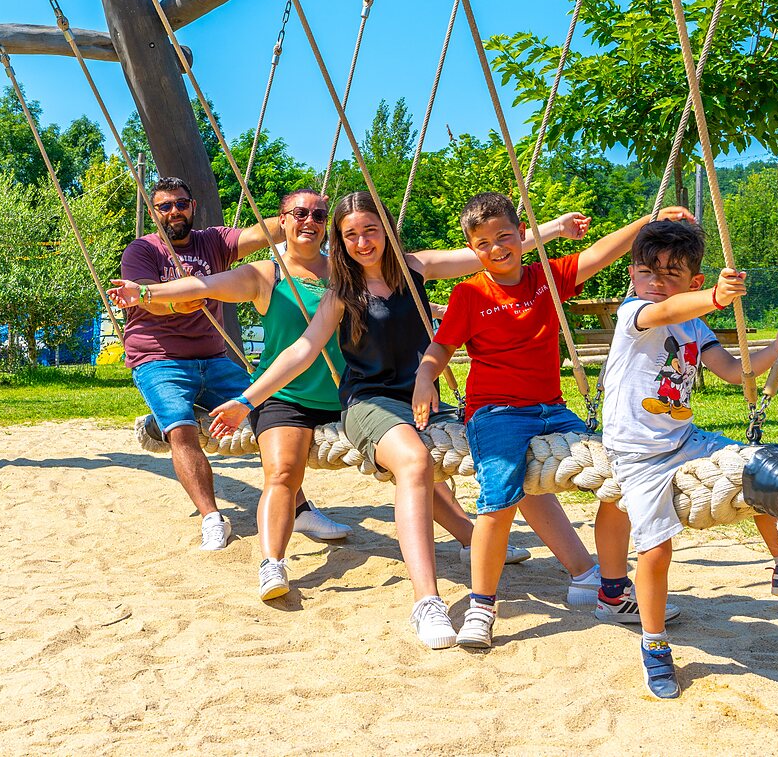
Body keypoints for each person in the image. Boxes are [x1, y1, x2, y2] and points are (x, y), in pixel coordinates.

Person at [208, 191, 591, 648]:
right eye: (350, 235)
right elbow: (302, 350)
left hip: (422, 401)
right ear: (340, 241)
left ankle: (585, 574)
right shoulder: (341, 293)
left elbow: (489, 250)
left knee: (511, 458)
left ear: (387, 230)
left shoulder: (415, 268)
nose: (363, 242)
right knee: (414, 462)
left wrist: (555, 229)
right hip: (369, 403)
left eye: (371, 230)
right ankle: (426, 602)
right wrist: (246, 400)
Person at [110, 188, 523, 600]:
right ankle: (272, 562)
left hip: (349, 397)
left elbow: (442, 270)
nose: (309, 221)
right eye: (299, 213)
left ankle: (472, 539)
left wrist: (541, 233)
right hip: (287, 397)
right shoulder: (265, 275)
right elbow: (203, 285)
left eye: (319, 215)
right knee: (283, 472)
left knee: (417, 464)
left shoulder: (349, 271)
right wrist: (145, 294)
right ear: (281, 222)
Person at [412, 193, 695, 648]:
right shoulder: (469, 294)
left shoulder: (545, 276)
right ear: (472, 248)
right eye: (482, 243)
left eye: (504, 236)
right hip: (497, 412)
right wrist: (426, 377)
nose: (496, 248)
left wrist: (649, 219)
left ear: (523, 234)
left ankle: (609, 590)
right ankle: (482, 605)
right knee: (499, 497)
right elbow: (441, 347)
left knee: (616, 476)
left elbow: (599, 254)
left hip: (552, 409)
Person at [601, 219, 778, 699]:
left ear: (692, 280)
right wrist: (715, 296)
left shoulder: (694, 324)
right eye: (647, 271)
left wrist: (776, 348)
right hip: (638, 453)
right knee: (656, 549)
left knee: (760, 468)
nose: (656, 282)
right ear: (632, 274)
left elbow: (735, 372)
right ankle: (654, 644)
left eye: (671, 274)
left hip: (683, 437)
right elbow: (667, 308)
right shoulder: (636, 313)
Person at [120, 176, 348, 551]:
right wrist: (177, 302)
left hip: (213, 358)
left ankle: (299, 508)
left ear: (193, 207)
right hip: (159, 358)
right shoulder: (142, 250)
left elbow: (264, 232)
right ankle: (212, 517)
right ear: (153, 211)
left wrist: (303, 213)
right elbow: (148, 301)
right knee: (181, 429)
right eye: (165, 206)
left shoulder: (213, 241)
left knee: (268, 410)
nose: (174, 211)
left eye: (181, 204)